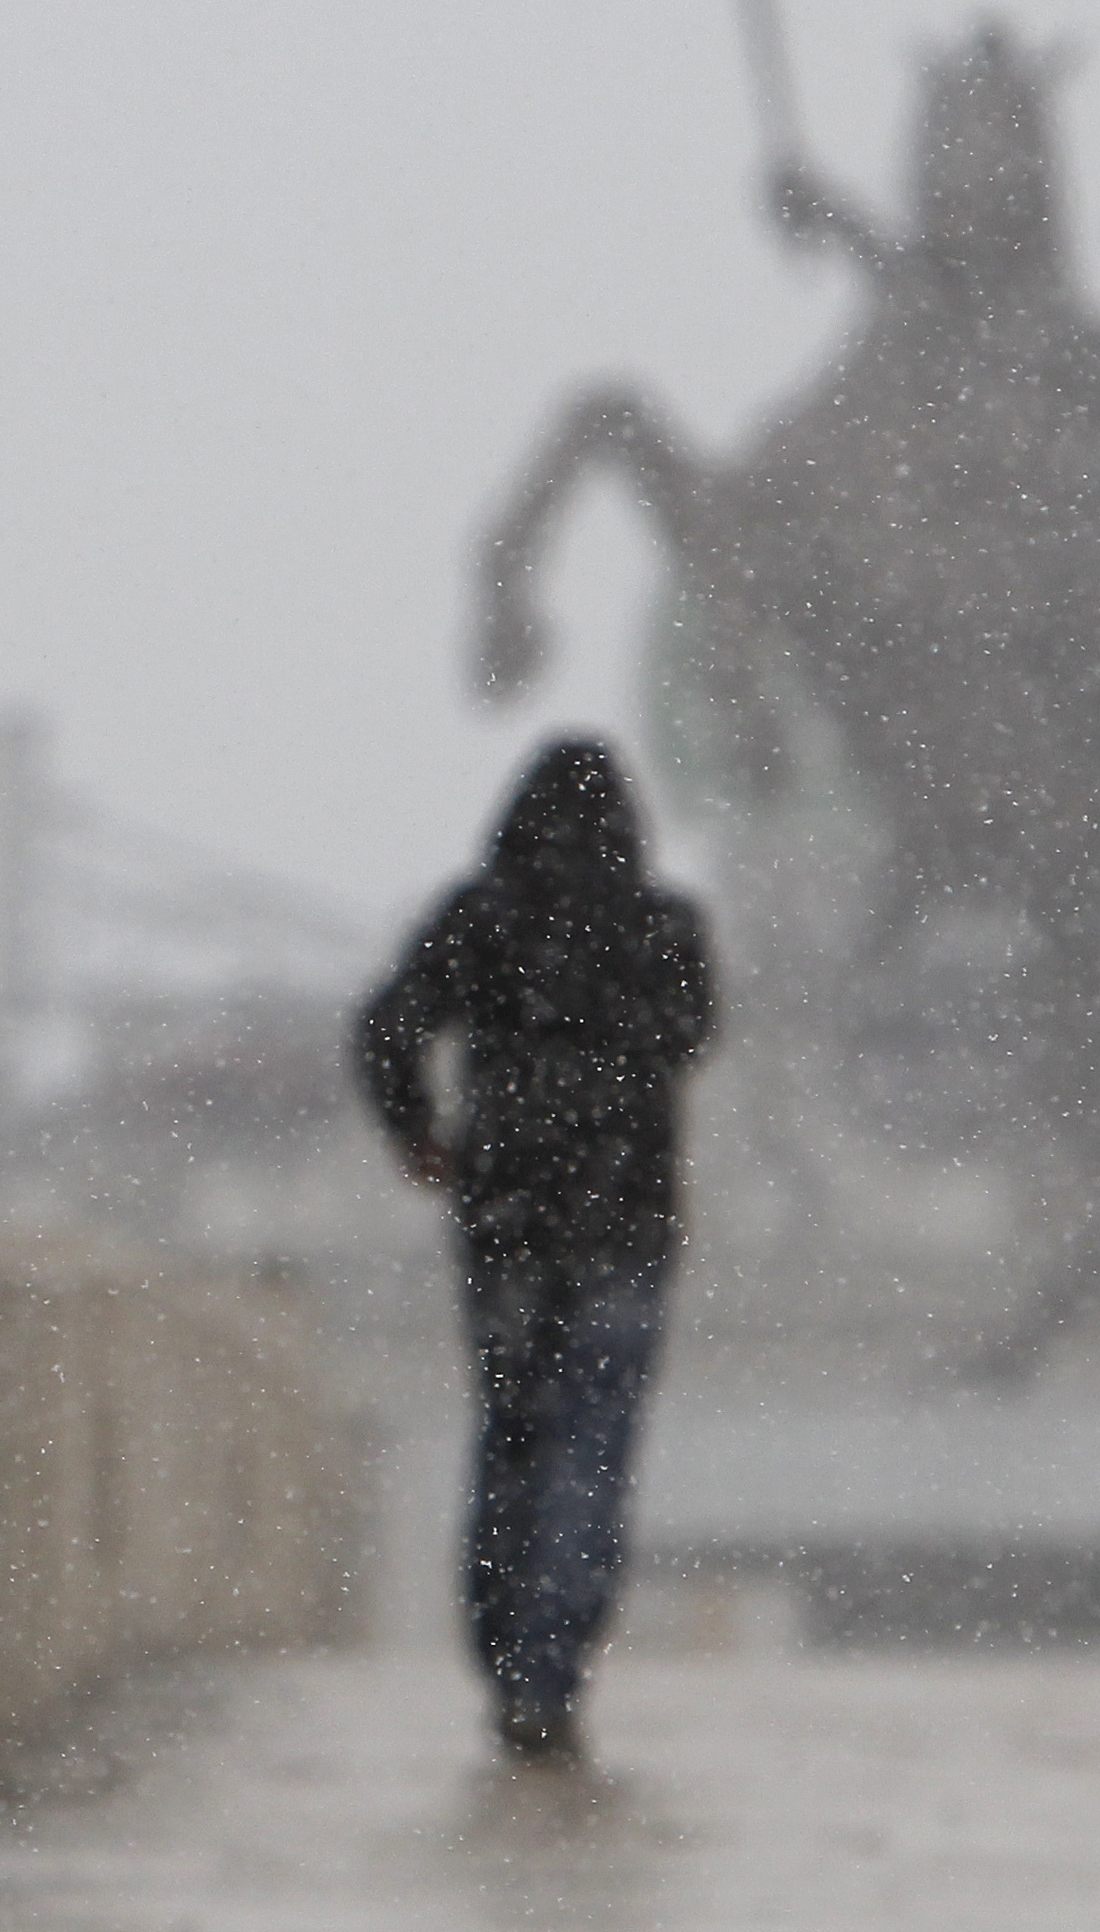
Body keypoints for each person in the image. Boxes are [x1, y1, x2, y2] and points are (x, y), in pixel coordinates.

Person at [359, 739, 713, 1764]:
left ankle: (502, 1636)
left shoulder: (481, 916)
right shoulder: (664, 926)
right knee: (593, 1445)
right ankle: (548, 1668)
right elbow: (691, 1030)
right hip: (627, 1218)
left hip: (506, 1213)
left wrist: (418, 1128)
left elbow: (386, 1025)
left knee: (512, 1432)